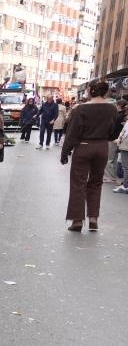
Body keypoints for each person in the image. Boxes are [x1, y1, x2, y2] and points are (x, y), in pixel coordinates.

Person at [60, 80, 118, 232]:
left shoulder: (81, 109)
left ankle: (77, 220)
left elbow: (73, 133)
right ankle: (93, 219)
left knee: (78, 183)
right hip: (102, 147)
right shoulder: (112, 108)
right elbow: (112, 130)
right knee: (96, 183)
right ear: (105, 92)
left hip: (84, 147)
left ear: (90, 90)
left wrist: (65, 151)